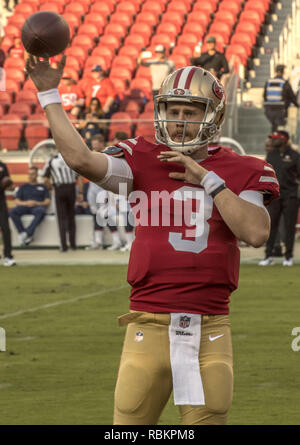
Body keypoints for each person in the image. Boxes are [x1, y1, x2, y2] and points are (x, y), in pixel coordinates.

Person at [26, 58, 279, 425]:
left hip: (210, 327)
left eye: (190, 111)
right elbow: (80, 159)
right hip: (148, 324)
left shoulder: (244, 169)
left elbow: (256, 232)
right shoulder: (141, 156)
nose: (178, 120)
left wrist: (208, 180)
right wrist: (49, 93)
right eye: (172, 110)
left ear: (214, 117)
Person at [259, 130, 300, 266]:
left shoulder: (295, 155)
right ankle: (268, 255)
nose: (273, 141)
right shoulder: (271, 155)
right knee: (271, 226)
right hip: (275, 196)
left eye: (276, 139)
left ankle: (288, 257)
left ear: (284, 139)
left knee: (289, 227)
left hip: (291, 196)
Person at [42, 152, 83, 252]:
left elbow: (45, 179)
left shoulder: (52, 160)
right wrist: (81, 192)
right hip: (71, 188)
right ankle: (73, 244)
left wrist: (51, 188)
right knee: (71, 216)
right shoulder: (72, 157)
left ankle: (64, 246)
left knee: (61, 218)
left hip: (59, 188)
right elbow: (80, 177)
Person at [10, 166, 50, 246]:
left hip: (37, 207)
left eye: (32, 174)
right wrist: (26, 203)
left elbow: (47, 201)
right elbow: (17, 200)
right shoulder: (23, 187)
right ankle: (23, 233)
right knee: (12, 211)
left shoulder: (43, 187)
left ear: (36, 175)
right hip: (25, 206)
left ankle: (28, 233)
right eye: (29, 174)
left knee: (41, 211)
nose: (30, 176)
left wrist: (36, 203)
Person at [263, 64, 299, 132]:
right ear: (283, 72)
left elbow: (264, 96)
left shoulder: (268, 82)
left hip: (269, 111)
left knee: (273, 128)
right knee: (281, 129)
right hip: (280, 111)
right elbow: (291, 96)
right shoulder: (284, 83)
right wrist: (297, 105)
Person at [0, 160, 16, 266]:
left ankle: (8, 256)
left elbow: (9, 183)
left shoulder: (2, 165)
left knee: (6, 229)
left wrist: (9, 185)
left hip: (1, 201)